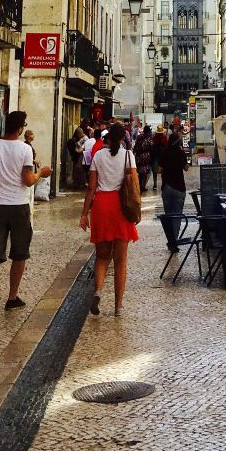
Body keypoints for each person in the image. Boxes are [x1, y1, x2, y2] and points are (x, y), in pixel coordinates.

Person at [0, 110, 51, 322]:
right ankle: (11, 297)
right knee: (20, 253)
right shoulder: (25, 149)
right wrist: (42, 173)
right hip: (19, 206)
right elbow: (28, 179)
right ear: (20, 128)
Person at [79, 121, 139, 317]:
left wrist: (84, 213)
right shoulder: (128, 156)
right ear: (123, 138)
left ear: (108, 137)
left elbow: (91, 187)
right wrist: (137, 210)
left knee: (102, 257)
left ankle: (97, 291)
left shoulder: (97, 156)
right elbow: (135, 186)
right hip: (121, 207)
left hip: (102, 206)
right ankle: (118, 306)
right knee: (120, 260)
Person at [159, 121, 189, 251]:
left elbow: (158, 170)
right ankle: (174, 241)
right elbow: (187, 168)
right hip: (179, 188)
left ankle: (170, 240)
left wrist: (167, 168)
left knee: (168, 215)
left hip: (166, 188)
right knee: (177, 216)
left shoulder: (164, 152)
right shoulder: (181, 153)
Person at [133, 122, 152, 192]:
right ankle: (142, 186)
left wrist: (134, 153)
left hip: (138, 157)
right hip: (146, 157)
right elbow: (151, 147)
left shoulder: (139, 137)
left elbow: (135, 146)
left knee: (140, 172)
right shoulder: (149, 139)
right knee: (145, 173)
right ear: (148, 131)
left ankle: (139, 185)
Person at [150, 123, 167, 191]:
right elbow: (166, 146)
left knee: (155, 171)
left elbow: (152, 146)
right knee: (163, 170)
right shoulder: (164, 137)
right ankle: (163, 184)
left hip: (155, 156)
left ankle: (155, 184)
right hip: (162, 156)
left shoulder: (154, 138)